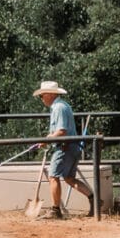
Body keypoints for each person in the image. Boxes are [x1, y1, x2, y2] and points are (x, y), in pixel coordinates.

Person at [33, 80, 99, 219]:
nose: (41, 99)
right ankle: (94, 200)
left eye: (42, 95)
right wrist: (48, 139)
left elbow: (61, 131)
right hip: (71, 146)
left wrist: (46, 140)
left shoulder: (58, 108)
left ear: (49, 95)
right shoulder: (62, 106)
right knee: (69, 178)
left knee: (53, 176)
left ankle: (56, 210)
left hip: (65, 147)